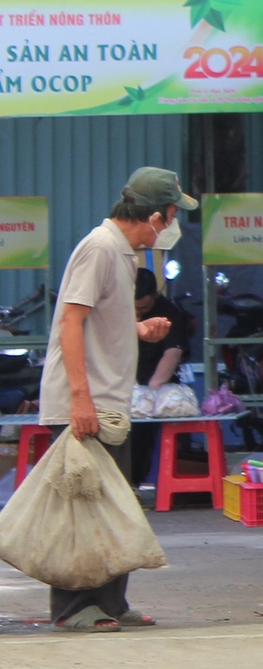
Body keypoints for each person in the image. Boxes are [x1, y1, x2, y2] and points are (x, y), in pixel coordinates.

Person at [38, 167, 193, 630]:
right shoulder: (100, 248)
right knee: (82, 510)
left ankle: (110, 603)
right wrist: (79, 401)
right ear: (154, 216)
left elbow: (101, 323)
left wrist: (138, 330)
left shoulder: (124, 255)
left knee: (114, 507)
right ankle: (72, 608)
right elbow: (70, 323)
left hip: (110, 403)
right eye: (168, 216)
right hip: (84, 404)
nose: (168, 227)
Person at [128, 266, 191, 487]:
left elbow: (172, 352)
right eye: (135, 310)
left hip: (156, 382)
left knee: (146, 435)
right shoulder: (116, 309)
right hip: (126, 381)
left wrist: (152, 390)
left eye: (144, 308)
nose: (139, 314)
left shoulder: (169, 312)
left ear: (155, 295)